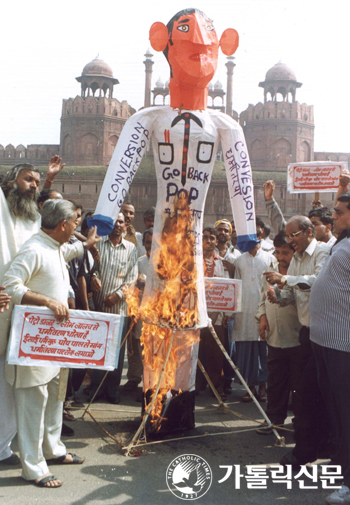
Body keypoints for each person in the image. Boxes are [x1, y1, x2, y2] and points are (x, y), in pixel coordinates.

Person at [3, 199, 100, 488]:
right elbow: (10, 284)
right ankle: (32, 468)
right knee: (34, 404)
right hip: (32, 344)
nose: (75, 228)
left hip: (55, 344)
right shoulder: (34, 249)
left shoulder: (56, 246)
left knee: (54, 399)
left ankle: (53, 450)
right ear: (62, 225)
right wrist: (47, 301)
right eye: (73, 223)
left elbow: (71, 248)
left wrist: (87, 242)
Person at [0, 156, 64, 466]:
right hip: (4, 304)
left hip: (25, 310)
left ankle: (11, 444)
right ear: (10, 183)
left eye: (37, 183)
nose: (33, 187)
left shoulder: (32, 217)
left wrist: (48, 181)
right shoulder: (3, 211)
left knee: (20, 384)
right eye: (28, 180)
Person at [265, 216, 332, 469]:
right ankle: (308, 448)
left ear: (309, 232)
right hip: (308, 334)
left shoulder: (324, 252)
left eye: (294, 235)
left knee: (322, 395)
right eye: (288, 236)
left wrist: (285, 280)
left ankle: (321, 445)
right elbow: (292, 294)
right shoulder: (296, 259)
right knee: (305, 394)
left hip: (328, 333)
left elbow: (318, 283)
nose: (291, 241)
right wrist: (279, 296)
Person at [310, 193, 350, 504]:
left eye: (338, 212)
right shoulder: (341, 244)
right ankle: (341, 465)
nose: (332, 217)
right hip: (325, 342)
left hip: (343, 345)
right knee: (336, 411)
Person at [256, 231, 303, 434]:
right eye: (277, 252)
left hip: (297, 337)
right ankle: (274, 421)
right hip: (274, 337)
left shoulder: (299, 272)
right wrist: (263, 317)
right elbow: (262, 299)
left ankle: (301, 423)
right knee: (275, 383)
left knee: (299, 385)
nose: (281, 257)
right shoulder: (270, 270)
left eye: (285, 252)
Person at [89, 212, 138, 404]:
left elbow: (132, 279)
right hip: (99, 308)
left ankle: (112, 390)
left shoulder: (132, 248)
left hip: (118, 309)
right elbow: (92, 268)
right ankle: (95, 389)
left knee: (116, 353)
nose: (118, 225)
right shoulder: (99, 245)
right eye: (115, 221)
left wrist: (116, 296)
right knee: (97, 349)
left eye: (121, 222)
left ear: (126, 225)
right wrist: (94, 276)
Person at [232, 225, 276, 402]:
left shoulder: (269, 258)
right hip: (244, 311)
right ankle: (249, 388)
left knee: (263, 349)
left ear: (260, 237)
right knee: (246, 351)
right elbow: (236, 286)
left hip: (264, 310)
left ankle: (263, 387)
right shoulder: (239, 261)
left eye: (256, 236)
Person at [196, 227, 229, 400]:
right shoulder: (193, 261)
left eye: (212, 238)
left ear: (217, 241)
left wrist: (219, 312)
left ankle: (217, 386)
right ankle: (196, 385)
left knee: (216, 352)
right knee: (195, 350)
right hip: (195, 313)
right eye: (205, 237)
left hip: (216, 316)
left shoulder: (222, 263)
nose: (208, 240)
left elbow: (225, 290)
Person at [124, 228, 153, 394]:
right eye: (147, 242)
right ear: (143, 243)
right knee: (136, 344)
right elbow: (131, 282)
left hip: (156, 312)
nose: (150, 245)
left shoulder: (164, 261)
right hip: (139, 309)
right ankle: (134, 377)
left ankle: (149, 383)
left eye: (153, 243)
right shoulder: (139, 261)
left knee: (151, 347)